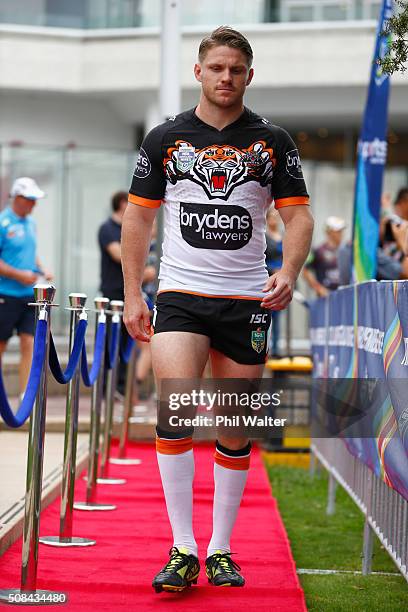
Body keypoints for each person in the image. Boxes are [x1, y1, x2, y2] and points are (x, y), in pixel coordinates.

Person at [122, 26, 313, 593]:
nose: (225, 78)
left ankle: (221, 548)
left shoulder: (273, 140)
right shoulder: (166, 138)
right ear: (198, 73)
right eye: (216, 68)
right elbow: (139, 218)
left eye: (236, 69)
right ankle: (182, 547)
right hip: (180, 296)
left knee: (234, 425)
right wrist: (135, 293)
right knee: (175, 412)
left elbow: (298, 216)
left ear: (249, 76)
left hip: (246, 301)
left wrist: (290, 271)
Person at [98, 190, 156, 397]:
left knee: (128, 345)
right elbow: (118, 254)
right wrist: (144, 271)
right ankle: (109, 389)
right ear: (123, 203)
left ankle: (124, 388)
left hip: (132, 295)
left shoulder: (127, 227)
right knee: (110, 344)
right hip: (113, 293)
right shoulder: (107, 229)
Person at [0, 177, 52, 394]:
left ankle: (25, 398)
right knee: (1, 346)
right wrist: (19, 274)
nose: (34, 204)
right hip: (5, 294)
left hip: (28, 296)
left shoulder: (31, 223)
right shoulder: (3, 222)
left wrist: (41, 268)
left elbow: (30, 253)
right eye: (30, 199)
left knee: (29, 344)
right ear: (18, 198)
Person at [303, 216, 346, 297]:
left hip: (343, 295)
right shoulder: (318, 251)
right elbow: (306, 272)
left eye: (341, 230)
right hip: (325, 297)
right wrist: (319, 288)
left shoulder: (347, 250)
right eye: (338, 231)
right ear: (329, 232)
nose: (341, 233)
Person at [265, 206, 283, 357]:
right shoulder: (264, 236)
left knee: (278, 315)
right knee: (268, 314)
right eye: (272, 216)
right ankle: (267, 346)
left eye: (277, 216)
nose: (275, 219)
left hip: (282, 279)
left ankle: (276, 347)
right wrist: (273, 271)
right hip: (268, 278)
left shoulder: (283, 235)